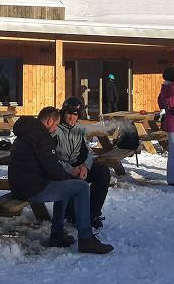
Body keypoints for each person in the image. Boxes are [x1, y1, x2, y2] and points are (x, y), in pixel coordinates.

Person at [8, 107, 113, 254]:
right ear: (50, 120)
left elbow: (49, 166)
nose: (56, 127)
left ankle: (57, 234)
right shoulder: (41, 136)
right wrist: (69, 178)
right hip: (31, 189)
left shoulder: (28, 132)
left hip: (20, 186)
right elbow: (52, 167)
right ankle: (86, 239)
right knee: (81, 187)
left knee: (63, 184)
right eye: (56, 124)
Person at [52, 97, 110, 229]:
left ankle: (93, 213)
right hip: (60, 169)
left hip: (78, 166)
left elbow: (88, 150)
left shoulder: (80, 128)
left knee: (102, 172)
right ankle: (71, 213)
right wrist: (69, 169)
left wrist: (85, 167)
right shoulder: (55, 129)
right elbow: (50, 157)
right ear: (63, 112)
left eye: (76, 115)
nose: (72, 118)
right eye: (69, 114)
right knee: (70, 181)